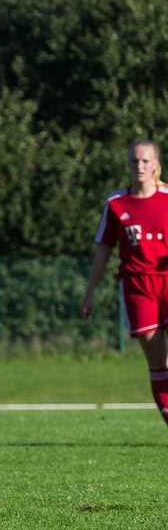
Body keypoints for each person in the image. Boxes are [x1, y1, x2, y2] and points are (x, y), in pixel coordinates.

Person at [81, 139, 168, 429]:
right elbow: (104, 248)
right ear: (128, 164)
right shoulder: (116, 203)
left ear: (156, 163)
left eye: (146, 161)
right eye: (135, 161)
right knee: (158, 363)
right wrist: (90, 292)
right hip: (138, 287)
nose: (140, 166)